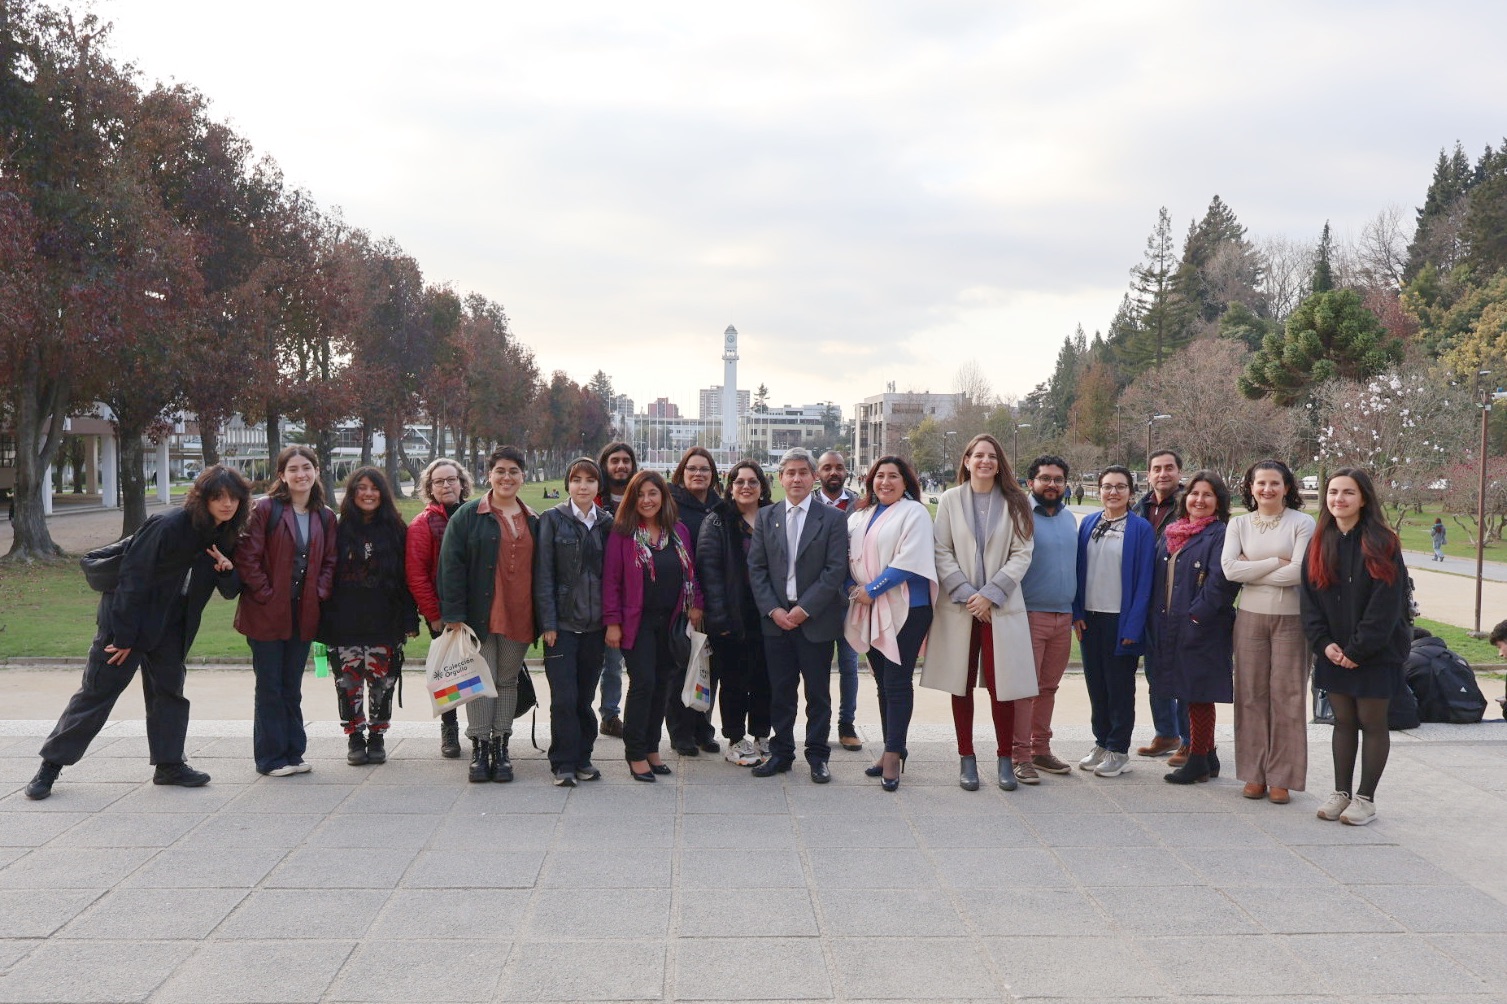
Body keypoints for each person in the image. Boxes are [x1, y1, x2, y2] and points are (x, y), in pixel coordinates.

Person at [25, 466, 249, 799]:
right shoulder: (170, 525)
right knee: (96, 694)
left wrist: (228, 572)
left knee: (169, 693)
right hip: (129, 623)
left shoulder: (224, 535)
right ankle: (49, 767)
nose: (227, 503)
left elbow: (230, 591)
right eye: (219, 497)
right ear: (203, 499)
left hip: (173, 628)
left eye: (233, 498)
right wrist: (124, 637)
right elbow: (132, 579)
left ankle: (169, 765)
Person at [924, 435, 1035, 792]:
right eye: (978, 455)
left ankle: (1005, 758)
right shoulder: (951, 500)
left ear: (999, 463)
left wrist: (990, 595)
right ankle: (966, 758)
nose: (985, 461)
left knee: (1002, 685)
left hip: (999, 607)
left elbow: (1022, 553)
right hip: (961, 606)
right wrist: (970, 595)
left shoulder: (1016, 502)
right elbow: (941, 549)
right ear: (967, 461)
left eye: (992, 456)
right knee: (961, 682)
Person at [1301, 467, 1410, 826]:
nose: (1338, 499)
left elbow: (1387, 605)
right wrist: (1324, 644)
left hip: (1377, 654)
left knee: (1372, 721)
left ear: (1363, 498)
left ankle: (1365, 798)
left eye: (1347, 492)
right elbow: (1309, 600)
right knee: (1343, 721)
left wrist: (1357, 650)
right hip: (1333, 652)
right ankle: (1341, 792)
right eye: (1333, 492)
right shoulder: (1320, 540)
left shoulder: (1382, 542)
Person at [747, 447, 849, 783]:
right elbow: (757, 568)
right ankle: (782, 753)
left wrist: (804, 610)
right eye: (789, 473)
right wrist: (775, 610)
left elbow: (835, 571)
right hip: (776, 623)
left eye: (803, 473)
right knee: (781, 692)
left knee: (818, 694)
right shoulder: (767, 516)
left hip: (815, 621)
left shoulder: (832, 518)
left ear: (813, 477)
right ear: (779, 478)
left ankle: (818, 756)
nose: (796, 479)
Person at [236, 446, 338, 777]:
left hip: (303, 612)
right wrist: (266, 593)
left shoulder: (325, 515)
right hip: (266, 613)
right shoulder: (266, 509)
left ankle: (294, 752)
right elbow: (247, 558)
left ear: (317, 471)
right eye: (293, 469)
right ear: (282, 475)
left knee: (291, 685)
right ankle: (270, 758)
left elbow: (330, 561)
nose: (301, 474)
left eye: (306, 467)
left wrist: (320, 591)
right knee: (269, 686)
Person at [439, 445, 539, 783]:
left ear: (522, 476)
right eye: (500, 471)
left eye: (513, 471)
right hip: (478, 617)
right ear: (489, 474)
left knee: (506, 680)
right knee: (480, 682)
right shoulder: (468, 515)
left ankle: (502, 746)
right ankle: (480, 748)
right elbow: (450, 567)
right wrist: (453, 614)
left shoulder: (534, 520)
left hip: (520, 615)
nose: (506, 477)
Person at [1221, 460, 1315, 804]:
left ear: (1287, 487)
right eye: (1260, 483)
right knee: (1250, 694)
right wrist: (1275, 562)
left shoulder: (1302, 523)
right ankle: (1254, 773)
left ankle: (1282, 777)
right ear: (1250, 487)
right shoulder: (1239, 524)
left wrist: (1253, 569)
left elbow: (1299, 573)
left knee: (1287, 696)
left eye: (1274, 483)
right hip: (1249, 617)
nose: (1267, 490)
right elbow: (1229, 570)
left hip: (1292, 619)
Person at [603, 470, 703, 782]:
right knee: (643, 684)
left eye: (653, 494)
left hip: (671, 622)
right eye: (641, 495)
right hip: (637, 623)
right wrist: (612, 623)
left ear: (663, 497)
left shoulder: (679, 531)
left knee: (662, 686)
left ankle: (651, 749)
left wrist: (696, 605)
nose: (647, 500)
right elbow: (611, 582)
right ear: (633, 499)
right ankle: (635, 752)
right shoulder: (623, 534)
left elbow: (691, 572)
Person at [846, 456, 938, 792]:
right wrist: (852, 589)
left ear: (906, 481)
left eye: (893, 476)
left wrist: (872, 589)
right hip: (869, 608)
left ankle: (893, 756)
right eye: (879, 476)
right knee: (883, 683)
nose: (885, 482)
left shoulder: (914, 513)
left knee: (897, 682)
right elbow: (847, 560)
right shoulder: (861, 516)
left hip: (907, 608)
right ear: (870, 480)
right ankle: (892, 748)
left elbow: (910, 561)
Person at [319, 467, 418, 767]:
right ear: (351, 493)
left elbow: (406, 578)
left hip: (385, 622)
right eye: (360, 488)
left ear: (382, 493)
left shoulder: (397, 530)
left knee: (382, 684)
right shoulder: (336, 528)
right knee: (347, 683)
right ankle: (354, 736)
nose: (368, 493)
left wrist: (409, 620)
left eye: (374, 488)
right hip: (344, 622)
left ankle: (377, 736)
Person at [1147, 471, 1240, 785]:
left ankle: (1197, 759)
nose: (1199, 500)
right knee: (1186, 689)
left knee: (1198, 692)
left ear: (1219, 501)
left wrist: (1196, 617)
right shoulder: (1172, 532)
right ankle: (1208, 755)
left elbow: (1222, 581)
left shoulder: (1220, 533)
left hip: (1203, 625)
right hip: (1171, 623)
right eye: (1194, 494)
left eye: (1208, 495)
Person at [1074, 465, 1155, 778]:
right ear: (1099, 490)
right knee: (1096, 686)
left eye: (1120, 487)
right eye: (1107, 486)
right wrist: (1077, 613)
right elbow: (1079, 571)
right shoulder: (1089, 523)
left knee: (1119, 687)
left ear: (1130, 492)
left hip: (1121, 620)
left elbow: (1145, 581)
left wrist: (1133, 626)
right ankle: (1101, 742)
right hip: (1090, 619)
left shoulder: (1140, 529)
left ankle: (1119, 748)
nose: (1113, 492)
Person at [534, 457, 611, 786]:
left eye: (590, 480)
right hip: (562, 626)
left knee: (584, 698)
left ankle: (583, 756)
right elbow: (543, 575)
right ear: (568, 484)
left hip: (595, 628)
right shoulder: (552, 520)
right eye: (576, 479)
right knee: (563, 699)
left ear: (598, 486)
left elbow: (613, 577)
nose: (583, 485)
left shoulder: (607, 523)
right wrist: (548, 622)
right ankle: (562, 762)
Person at [696, 460, 775, 766]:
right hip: (732, 615)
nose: (745, 487)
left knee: (765, 679)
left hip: (768, 613)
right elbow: (709, 571)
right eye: (739, 481)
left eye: (752, 481)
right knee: (734, 680)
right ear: (730, 488)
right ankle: (735, 738)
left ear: (761, 486)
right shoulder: (718, 520)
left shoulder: (773, 517)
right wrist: (719, 617)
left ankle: (762, 734)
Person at [406, 457, 474, 758]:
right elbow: (416, 574)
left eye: (451, 479)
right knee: (449, 676)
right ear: (430, 488)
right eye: (439, 481)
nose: (446, 485)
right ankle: (450, 730)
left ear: (462, 483)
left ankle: (480, 729)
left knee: (478, 672)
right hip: (443, 613)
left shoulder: (477, 514)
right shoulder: (423, 524)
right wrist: (434, 615)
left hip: (477, 608)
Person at [1017, 455, 1078, 779]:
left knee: (1048, 688)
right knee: (1025, 689)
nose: (1052, 484)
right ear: (1031, 483)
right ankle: (1020, 755)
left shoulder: (1070, 519)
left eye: (1058, 479)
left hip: (1063, 617)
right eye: (1045, 478)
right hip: (1029, 614)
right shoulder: (1020, 515)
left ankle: (1041, 750)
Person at [1135, 449, 1190, 761]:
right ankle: (1165, 732)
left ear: (1178, 472)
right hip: (1148, 600)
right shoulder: (1140, 507)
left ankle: (1189, 738)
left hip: (1178, 600)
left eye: (1169, 468)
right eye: (1157, 468)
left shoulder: (1189, 505)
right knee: (1155, 672)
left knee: (1182, 673)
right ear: (1148, 474)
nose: (1163, 474)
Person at [666, 447, 721, 757]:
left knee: (708, 669)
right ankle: (680, 731)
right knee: (681, 669)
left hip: (715, 601)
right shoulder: (672, 507)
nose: (698, 474)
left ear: (712, 474)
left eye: (704, 469)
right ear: (682, 473)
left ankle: (703, 728)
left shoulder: (720, 507)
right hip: (683, 603)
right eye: (692, 469)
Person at [816, 450, 864, 752]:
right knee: (817, 668)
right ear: (817, 472)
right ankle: (818, 726)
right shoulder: (807, 505)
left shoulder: (861, 505)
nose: (834, 472)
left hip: (850, 600)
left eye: (839, 467)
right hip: (818, 601)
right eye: (827, 468)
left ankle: (847, 724)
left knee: (849, 665)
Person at [594, 441, 638, 739]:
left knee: (620, 661)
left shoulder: (641, 498)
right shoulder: (593, 497)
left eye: (626, 461)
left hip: (632, 591)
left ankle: (617, 715)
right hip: (595, 588)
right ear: (606, 465)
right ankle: (599, 715)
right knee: (601, 662)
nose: (621, 466)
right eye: (615, 461)